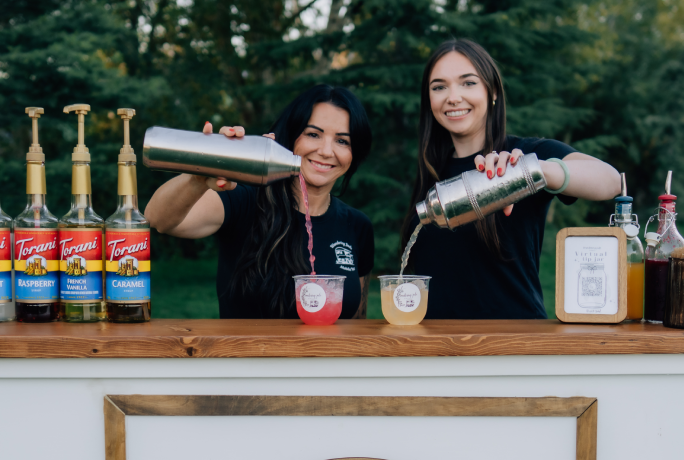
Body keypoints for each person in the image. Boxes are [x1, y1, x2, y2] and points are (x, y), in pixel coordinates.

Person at [402, 39, 621, 319]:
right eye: (439, 87)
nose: (453, 96)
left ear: (492, 91)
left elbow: (610, 180)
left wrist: (534, 172)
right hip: (439, 351)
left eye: (468, 83)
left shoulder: (525, 156)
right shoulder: (431, 172)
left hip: (514, 347)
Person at [145, 85, 374, 319]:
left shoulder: (356, 226)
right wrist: (204, 172)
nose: (326, 151)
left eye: (342, 141)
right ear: (291, 135)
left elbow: (357, 323)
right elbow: (158, 219)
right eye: (313, 134)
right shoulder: (243, 199)